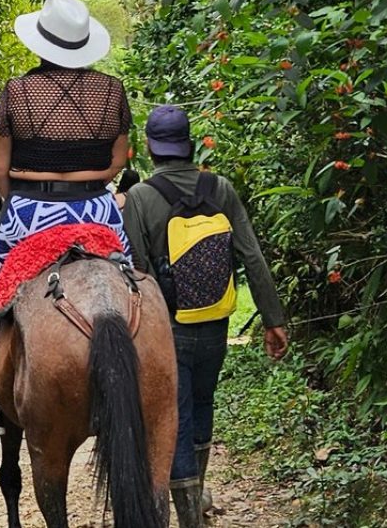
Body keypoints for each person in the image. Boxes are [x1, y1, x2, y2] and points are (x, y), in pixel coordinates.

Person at [0, 0, 133, 442]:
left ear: (41, 45)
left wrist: (19, 198)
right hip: (98, 211)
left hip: (31, 211)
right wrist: (89, 181)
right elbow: (118, 161)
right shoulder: (112, 91)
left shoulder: (17, 91)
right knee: (136, 282)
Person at [122, 104, 289, 528]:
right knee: (201, 404)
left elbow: (139, 272)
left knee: (173, 418)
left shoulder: (141, 198)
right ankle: (193, 501)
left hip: (169, 327)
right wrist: (273, 319)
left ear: (149, 148)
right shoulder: (221, 189)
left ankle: (189, 517)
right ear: (189, 142)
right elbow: (251, 255)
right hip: (215, 322)